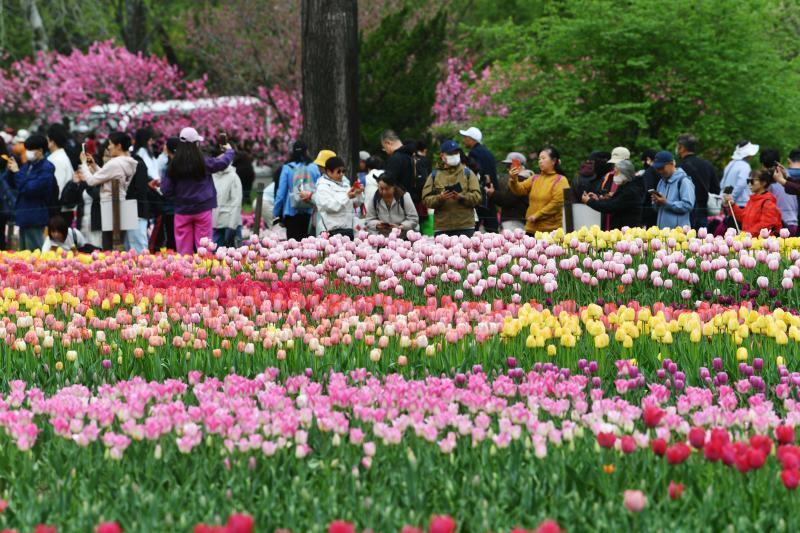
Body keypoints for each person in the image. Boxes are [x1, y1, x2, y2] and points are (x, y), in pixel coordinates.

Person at [160, 127, 234, 255]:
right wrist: (229, 151)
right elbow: (221, 163)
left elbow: (166, 190)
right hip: (203, 209)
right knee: (204, 247)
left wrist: (178, 195)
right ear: (196, 143)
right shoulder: (202, 162)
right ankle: (205, 272)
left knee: (183, 249)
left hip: (182, 211)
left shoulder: (173, 165)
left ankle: (186, 273)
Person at [79, 132, 138, 250]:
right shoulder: (130, 162)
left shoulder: (114, 163)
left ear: (119, 146)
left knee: (108, 245)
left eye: (110, 144)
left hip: (109, 206)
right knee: (120, 243)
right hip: (122, 203)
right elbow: (109, 177)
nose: (108, 147)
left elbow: (91, 181)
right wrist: (94, 166)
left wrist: (84, 165)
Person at [4, 134, 57, 250]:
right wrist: (11, 171)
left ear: (40, 150)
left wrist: (17, 172)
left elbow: (30, 189)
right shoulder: (28, 165)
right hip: (24, 215)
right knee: (24, 253)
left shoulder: (47, 168)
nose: (28, 152)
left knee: (35, 251)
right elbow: (15, 184)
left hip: (35, 216)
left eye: (31, 149)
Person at [421, 139, 482, 237]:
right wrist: (440, 198)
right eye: (451, 153)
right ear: (442, 156)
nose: (455, 155)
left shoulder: (468, 173)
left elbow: (478, 197)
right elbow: (425, 200)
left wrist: (461, 197)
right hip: (442, 227)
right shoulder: (434, 175)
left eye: (456, 152)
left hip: (465, 226)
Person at [509, 146, 570, 235]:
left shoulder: (561, 180)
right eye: (539, 159)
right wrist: (513, 180)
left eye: (543, 158)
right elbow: (519, 190)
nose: (540, 161)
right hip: (531, 228)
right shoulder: (535, 178)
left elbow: (557, 203)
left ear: (553, 161)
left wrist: (537, 215)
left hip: (550, 231)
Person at [273, 140, 321, 241]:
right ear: (306, 151)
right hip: (309, 211)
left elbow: (281, 193)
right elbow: (319, 189)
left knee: (293, 246)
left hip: (291, 211)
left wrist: (276, 212)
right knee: (308, 246)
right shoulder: (314, 168)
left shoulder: (287, 168)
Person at [582, 160, 643, 229]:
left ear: (625, 174)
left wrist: (589, 201)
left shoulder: (630, 191)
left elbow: (610, 206)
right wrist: (597, 199)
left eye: (616, 173)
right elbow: (613, 202)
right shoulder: (625, 186)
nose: (614, 175)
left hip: (628, 230)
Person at [676, 134, 719, 229]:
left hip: (684, 212)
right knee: (702, 241)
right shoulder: (707, 165)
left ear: (681, 148)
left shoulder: (679, 167)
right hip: (702, 210)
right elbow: (716, 189)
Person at [459, 126, 498, 232]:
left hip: (480, 194)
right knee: (492, 226)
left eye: (465, 137)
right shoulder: (487, 152)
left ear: (471, 139)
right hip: (491, 192)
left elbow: (475, 174)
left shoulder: (474, 153)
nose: (464, 140)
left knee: (475, 226)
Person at [313, 156, 361, 238]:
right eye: (338, 171)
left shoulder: (345, 184)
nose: (342, 174)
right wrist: (347, 197)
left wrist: (358, 193)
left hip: (348, 229)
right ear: (328, 171)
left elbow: (357, 204)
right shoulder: (322, 186)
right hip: (332, 231)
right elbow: (330, 206)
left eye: (343, 171)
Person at [724, 169, 782, 236]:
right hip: (749, 241)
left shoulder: (768, 203)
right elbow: (743, 216)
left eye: (752, 181)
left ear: (763, 183)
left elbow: (765, 225)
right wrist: (732, 205)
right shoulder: (752, 200)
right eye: (748, 181)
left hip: (760, 244)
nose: (749, 184)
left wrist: (746, 234)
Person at [650, 151, 695, 229]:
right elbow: (656, 209)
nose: (659, 171)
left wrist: (666, 202)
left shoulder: (684, 181)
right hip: (662, 233)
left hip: (679, 235)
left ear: (672, 164)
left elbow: (688, 206)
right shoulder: (661, 181)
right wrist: (656, 202)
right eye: (657, 169)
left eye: (661, 168)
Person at [60, 167, 102, 249]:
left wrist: (88, 180)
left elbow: (96, 195)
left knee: (96, 248)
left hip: (95, 224)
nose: (82, 173)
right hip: (81, 223)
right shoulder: (81, 184)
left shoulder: (99, 182)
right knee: (82, 249)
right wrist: (73, 183)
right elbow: (67, 202)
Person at [487, 152, 530, 231]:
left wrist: (493, 193)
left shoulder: (521, 178)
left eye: (509, 166)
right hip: (517, 220)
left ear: (518, 165)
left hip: (515, 221)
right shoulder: (525, 178)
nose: (507, 169)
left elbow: (508, 200)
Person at [148, 136, 178, 252]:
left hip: (170, 208)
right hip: (183, 207)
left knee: (171, 238)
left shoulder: (169, 167)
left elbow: (166, 190)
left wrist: (158, 187)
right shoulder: (185, 165)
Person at [760, 149, 797, 236]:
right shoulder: (786, 175)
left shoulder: (767, 182)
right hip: (793, 222)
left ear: (763, 164)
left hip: (780, 225)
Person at [212, 149, 243, 248]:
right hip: (215, 223)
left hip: (230, 223)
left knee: (234, 257)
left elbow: (236, 203)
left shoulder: (233, 177)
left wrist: (232, 226)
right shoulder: (212, 176)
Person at [46, 123, 75, 226]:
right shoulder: (61, 157)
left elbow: (58, 187)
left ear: (52, 142)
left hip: (59, 211)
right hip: (61, 209)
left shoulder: (57, 160)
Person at [380, 130, 417, 201]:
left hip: (398, 203)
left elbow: (388, 183)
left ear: (388, 143)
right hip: (410, 201)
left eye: (384, 147)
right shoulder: (411, 156)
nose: (385, 151)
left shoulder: (395, 159)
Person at [721, 141, 758, 208]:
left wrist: (726, 197)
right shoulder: (745, 166)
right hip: (740, 203)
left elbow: (726, 184)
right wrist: (731, 198)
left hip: (729, 201)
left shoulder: (730, 164)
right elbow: (741, 184)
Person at [639, 149, 660, 227]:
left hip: (650, 208)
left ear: (648, 159)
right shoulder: (662, 171)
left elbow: (648, 190)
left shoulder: (649, 172)